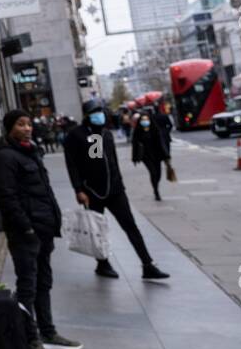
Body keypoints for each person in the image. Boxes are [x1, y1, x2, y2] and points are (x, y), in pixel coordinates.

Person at [0, 109, 83, 349]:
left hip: (44, 229)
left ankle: (48, 331)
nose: (27, 128)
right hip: (26, 234)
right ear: (10, 128)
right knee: (28, 287)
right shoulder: (5, 157)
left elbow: (44, 191)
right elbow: (7, 198)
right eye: (21, 124)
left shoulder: (31, 151)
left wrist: (53, 223)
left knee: (44, 281)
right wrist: (27, 230)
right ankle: (31, 341)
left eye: (29, 123)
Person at [64, 99, 170, 280]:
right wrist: (78, 189)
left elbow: (108, 162)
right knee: (97, 229)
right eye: (95, 112)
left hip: (115, 190)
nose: (100, 115)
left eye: (101, 111)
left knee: (130, 226)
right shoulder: (77, 135)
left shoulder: (105, 134)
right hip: (92, 192)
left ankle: (147, 264)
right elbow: (73, 165)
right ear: (87, 115)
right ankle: (102, 264)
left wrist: (119, 182)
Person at [131, 108, 170, 201]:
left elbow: (161, 143)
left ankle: (156, 186)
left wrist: (166, 155)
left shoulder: (155, 129)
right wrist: (134, 158)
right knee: (153, 172)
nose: (145, 121)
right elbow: (135, 145)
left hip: (157, 155)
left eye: (146, 119)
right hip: (146, 156)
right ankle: (156, 191)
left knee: (159, 174)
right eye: (143, 120)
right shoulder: (137, 131)